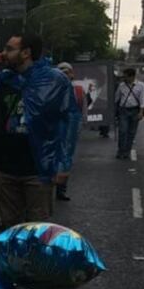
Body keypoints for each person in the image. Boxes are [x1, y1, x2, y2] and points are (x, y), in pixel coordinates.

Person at [0, 34, 79, 289]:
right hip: (5, 164)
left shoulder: (54, 80)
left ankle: (34, 280)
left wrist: (64, 163)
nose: (3, 52)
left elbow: (70, 120)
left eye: (9, 48)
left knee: (37, 228)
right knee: (8, 225)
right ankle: (11, 276)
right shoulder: (4, 79)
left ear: (26, 52)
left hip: (38, 166)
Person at [53, 62, 85, 202]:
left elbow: (83, 108)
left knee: (67, 155)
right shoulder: (51, 89)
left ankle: (61, 188)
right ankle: (53, 186)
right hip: (56, 125)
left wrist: (80, 125)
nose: (65, 75)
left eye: (67, 72)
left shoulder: (78, 89)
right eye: (62, 72)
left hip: (71, 124)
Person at [114, 67, 144, 159]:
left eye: (126, 77)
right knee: (122, 131)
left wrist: (141, 112)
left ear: (132, 77)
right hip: (123, 110)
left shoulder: (141, 85)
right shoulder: (121, 85)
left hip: (135, 110)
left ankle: (127, 151)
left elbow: (143, 99)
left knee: (131, 132)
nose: (124, 79)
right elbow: (116, 98)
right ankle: (121, 150)